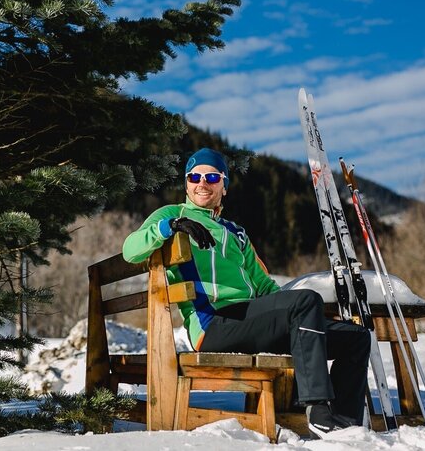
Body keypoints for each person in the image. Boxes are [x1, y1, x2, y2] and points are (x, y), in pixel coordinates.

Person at [122, 147, 371, 438]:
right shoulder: (172, 215)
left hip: (250, 320)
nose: (202, 183)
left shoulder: (236, 232)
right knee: (306, 302)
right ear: (186, 184)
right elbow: (130, 250)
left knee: (356, 337)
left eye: (212, 177)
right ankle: (318, 409)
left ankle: (344, 425)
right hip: (213, 323)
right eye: (194, 177)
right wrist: (171, 227)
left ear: (224, 186)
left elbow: (264, 286)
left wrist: (302, 315)